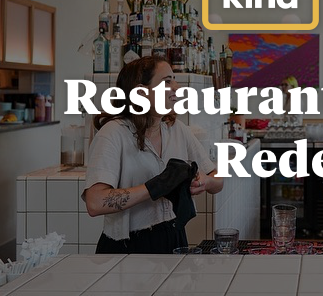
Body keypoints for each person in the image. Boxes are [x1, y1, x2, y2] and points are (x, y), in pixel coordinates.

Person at [83, 56, 223, 254]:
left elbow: (218, 180)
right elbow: (95, 203)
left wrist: (204, 182)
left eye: (174, 80)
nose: (176, 87)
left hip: (174, 236)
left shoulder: (176, 129)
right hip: (128, 245)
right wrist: (154, 187)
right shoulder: (113, 133)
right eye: (167, 81)